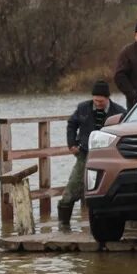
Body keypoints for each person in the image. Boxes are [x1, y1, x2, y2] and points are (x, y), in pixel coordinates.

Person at [57, 81, 125, 231]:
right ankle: (63, 224)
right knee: (73, 186)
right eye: (95, 100)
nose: (98, 103)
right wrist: (72, 143)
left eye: (101, 101)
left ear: (108, 98)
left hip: (109, 156)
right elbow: (72, 124)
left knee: (108, 188)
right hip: (85, 153)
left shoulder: (119, 112)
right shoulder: (83, 108)